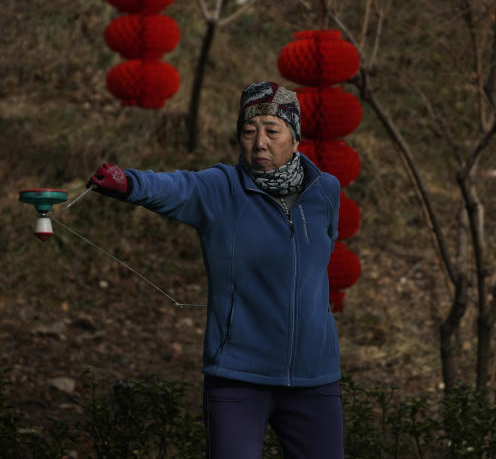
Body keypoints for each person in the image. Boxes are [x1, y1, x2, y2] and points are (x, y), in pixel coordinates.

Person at [87, 81, 345, 459]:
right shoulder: (221, 189)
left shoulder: (326, 191)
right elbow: (174, 187)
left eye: (272, 131)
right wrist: (130, 183)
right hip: (238, 376)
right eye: (248, 132)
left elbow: (322, 254)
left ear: (295, 137)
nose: (259, 143)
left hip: (314, 376)